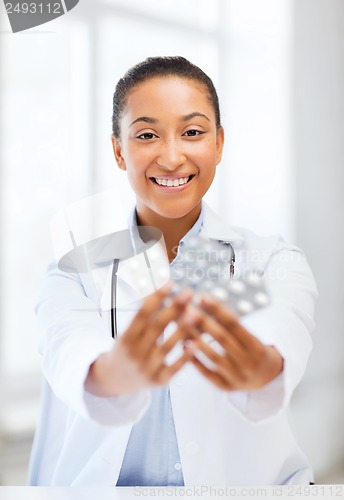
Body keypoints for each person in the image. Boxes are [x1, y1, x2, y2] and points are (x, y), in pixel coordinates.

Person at [28, 56, 318, 486]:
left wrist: (261, 369)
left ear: (218, 143)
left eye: (193, 132)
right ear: (118, 150)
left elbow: (285, 329)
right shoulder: (76, 268)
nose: (171, 156)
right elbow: (67, 349)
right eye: (146, 135)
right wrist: (112, 374)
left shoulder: (270, 260)